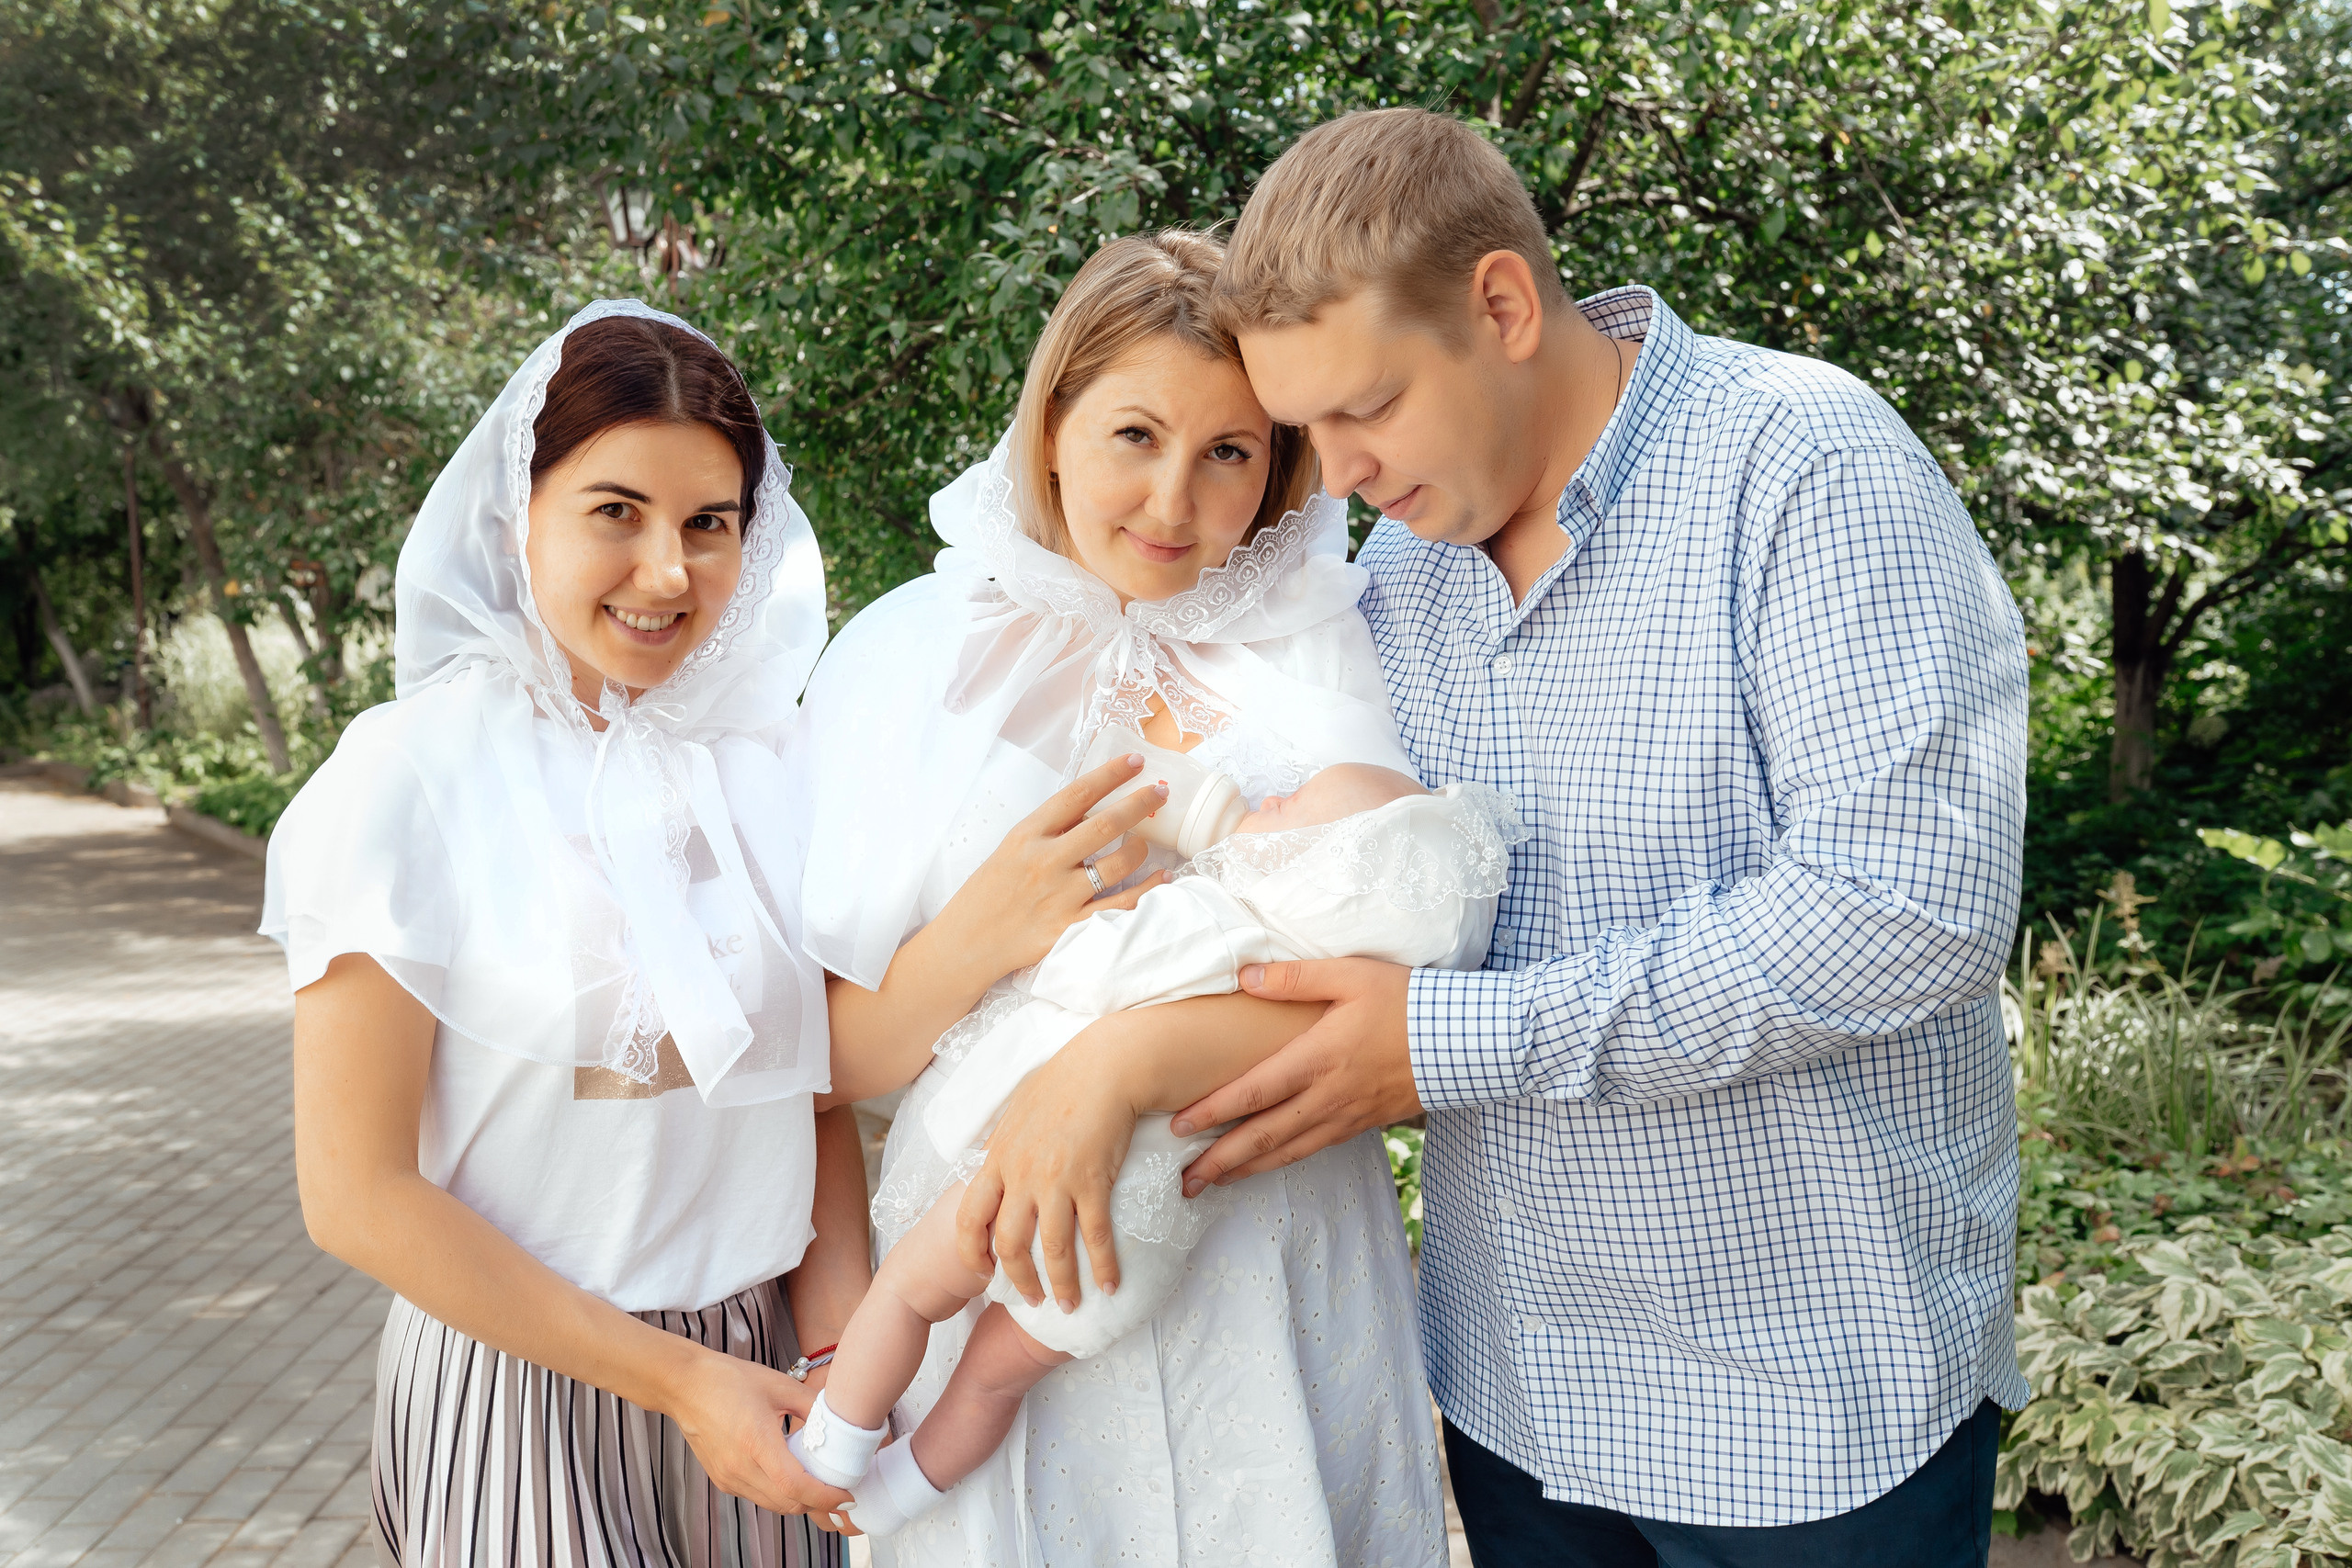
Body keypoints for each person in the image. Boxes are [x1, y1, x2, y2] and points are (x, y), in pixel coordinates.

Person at [1146, 107, 2030, 1566]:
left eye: (1366, 406)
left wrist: (1447, 1041)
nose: (1342, 470)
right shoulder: (1397, 587)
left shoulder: (1805, 465)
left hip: (1812, 1412)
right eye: (1310, 430)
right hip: (1521, 1397)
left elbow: (1903, 907)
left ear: (1499, 303)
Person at [797, 231, 1449, 1566]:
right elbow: (818, 1062)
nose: (1174, 499)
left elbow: (1404, 984)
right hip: (991, 1245)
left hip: (1262, 1250)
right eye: (1135, 434)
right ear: (1050, 429)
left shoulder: (1334, 634)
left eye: (1230, 451)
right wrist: (988, 929)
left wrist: (1119, 1060)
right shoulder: (912, 654)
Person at [265, 301, 869, 1567]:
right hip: (522, 1386)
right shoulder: (407, 777)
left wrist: (844, 1358)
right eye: (615, 511)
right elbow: (356, 1194)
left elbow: (803, 1103)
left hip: (763, 1382)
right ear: (513, 515)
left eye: (712, 523)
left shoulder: (764, 767)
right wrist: (676, 1380)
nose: (668, 571)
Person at [790, 763, 1522, 1538]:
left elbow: (1092, 970)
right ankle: (898, 1490)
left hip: (1040, 1187)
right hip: (1137, 1244)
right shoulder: (1286, 974)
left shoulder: (1215, 923)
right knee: (989, 1384)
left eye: (1296, 806)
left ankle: (837, 1452)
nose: (1277, 794)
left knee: (908, 1291)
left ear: (1319, 880)